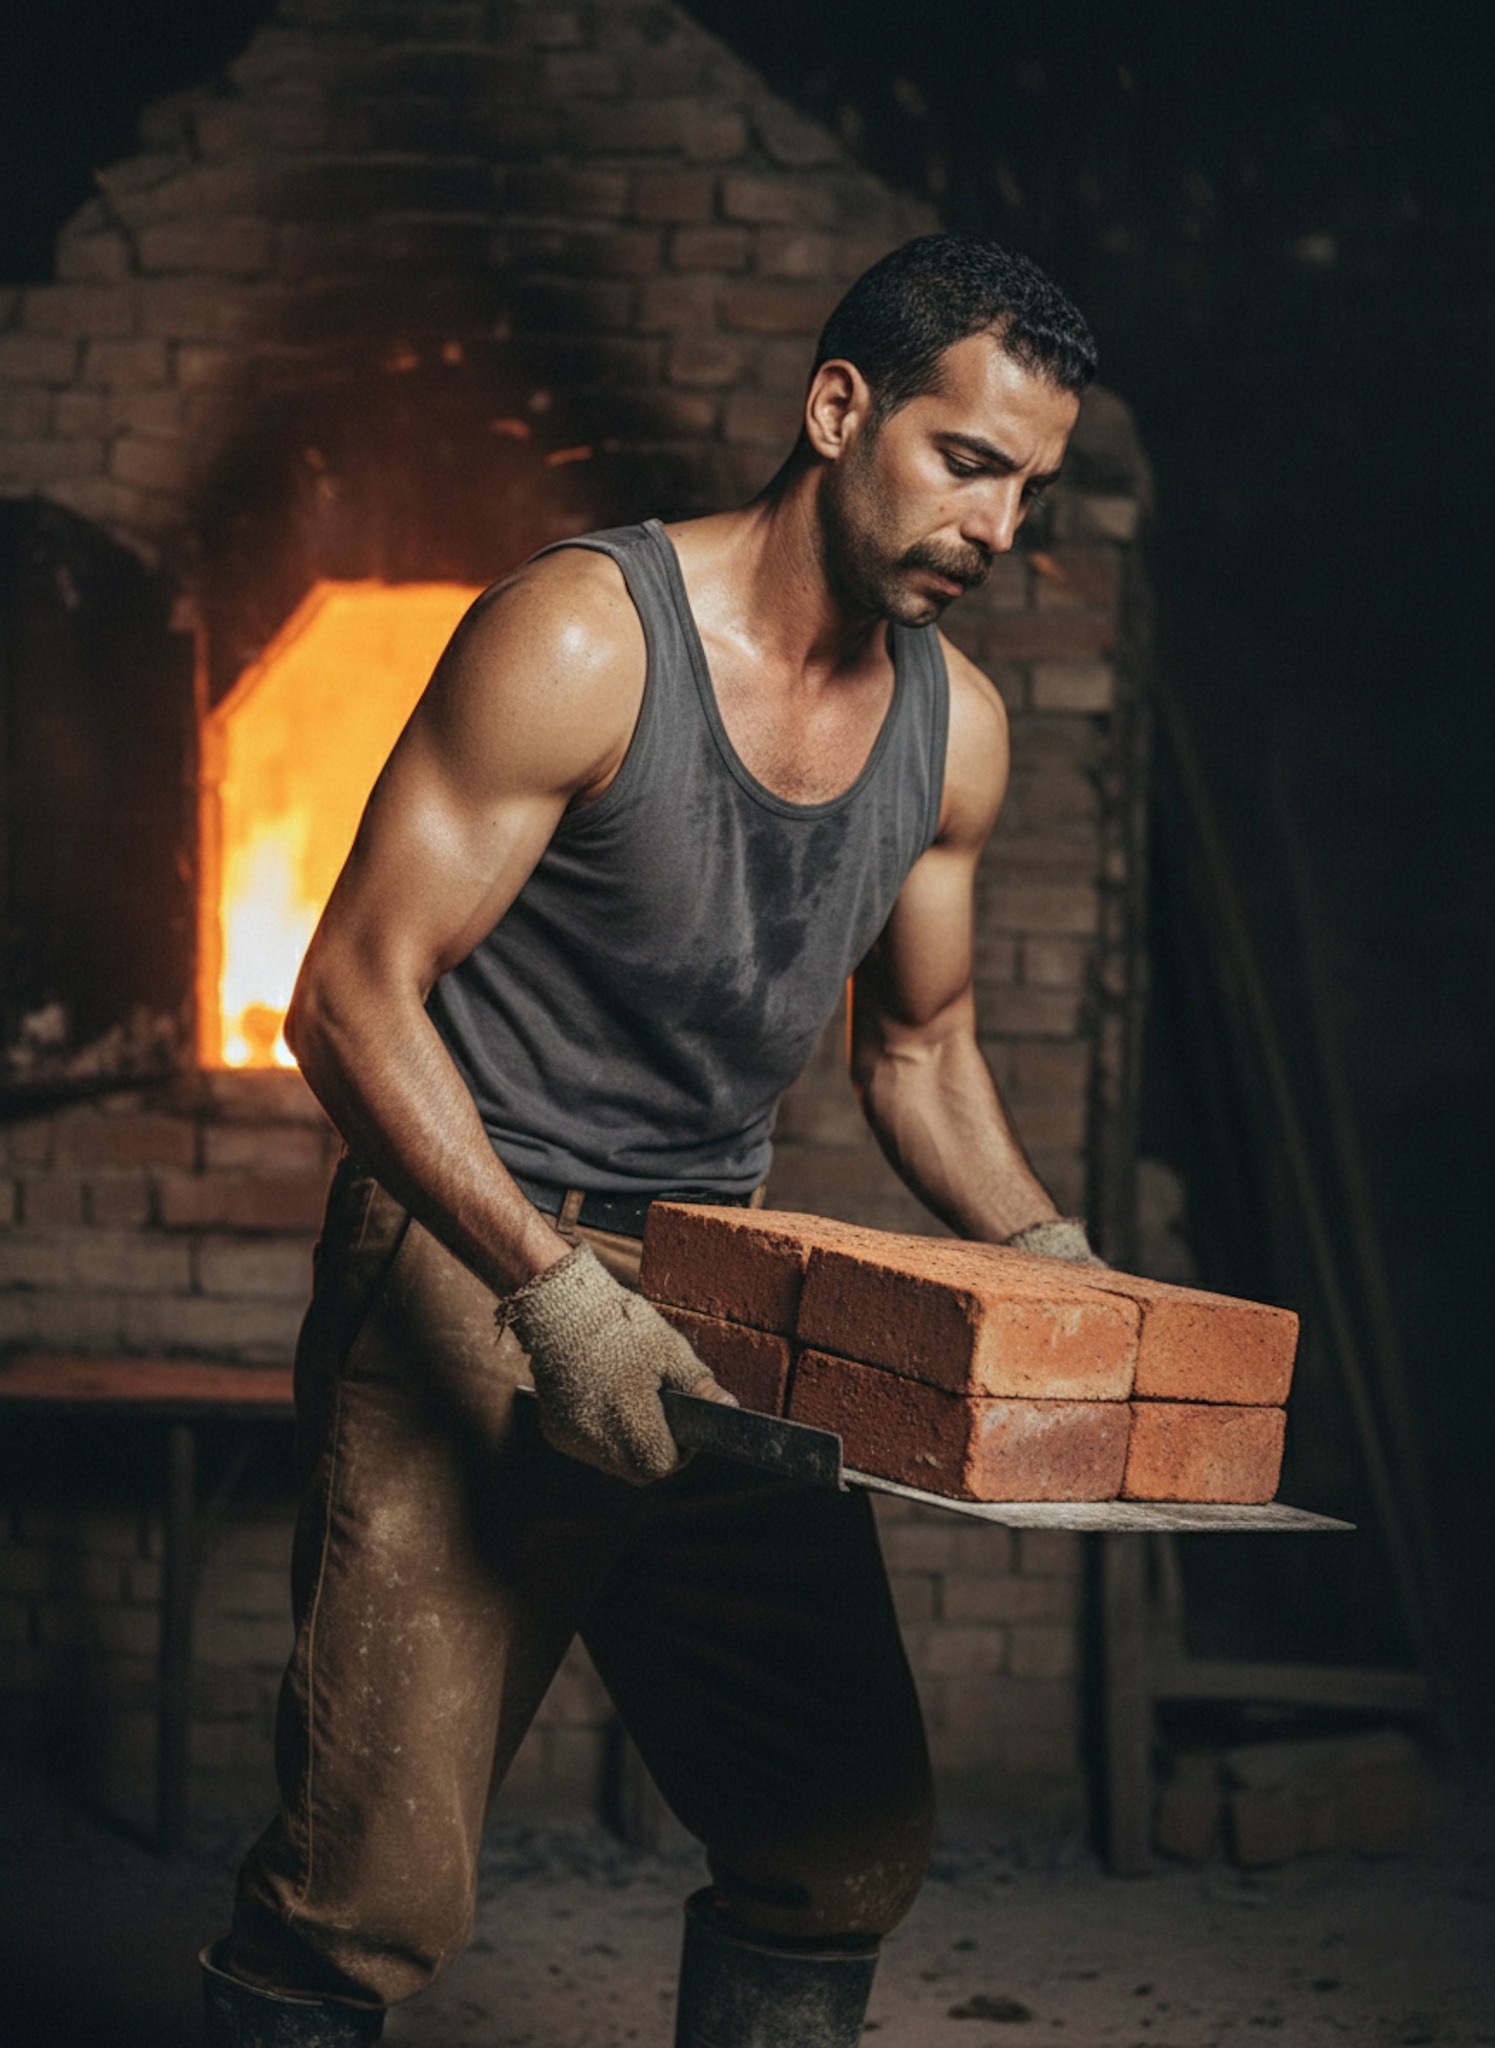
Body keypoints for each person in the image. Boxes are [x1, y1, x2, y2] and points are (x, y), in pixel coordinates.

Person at [201, 234, 1101, 2048]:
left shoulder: (958, 736)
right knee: (365, 1898)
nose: (996, 528)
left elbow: (916, 1055)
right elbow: (353, 996)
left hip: (719, 1281)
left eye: (1031, 488)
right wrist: (546, 1288)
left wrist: (1048, 1261)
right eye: (967, 460)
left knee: (839, 1836)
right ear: (841, 408)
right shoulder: (584, 637)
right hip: (473, 1250)